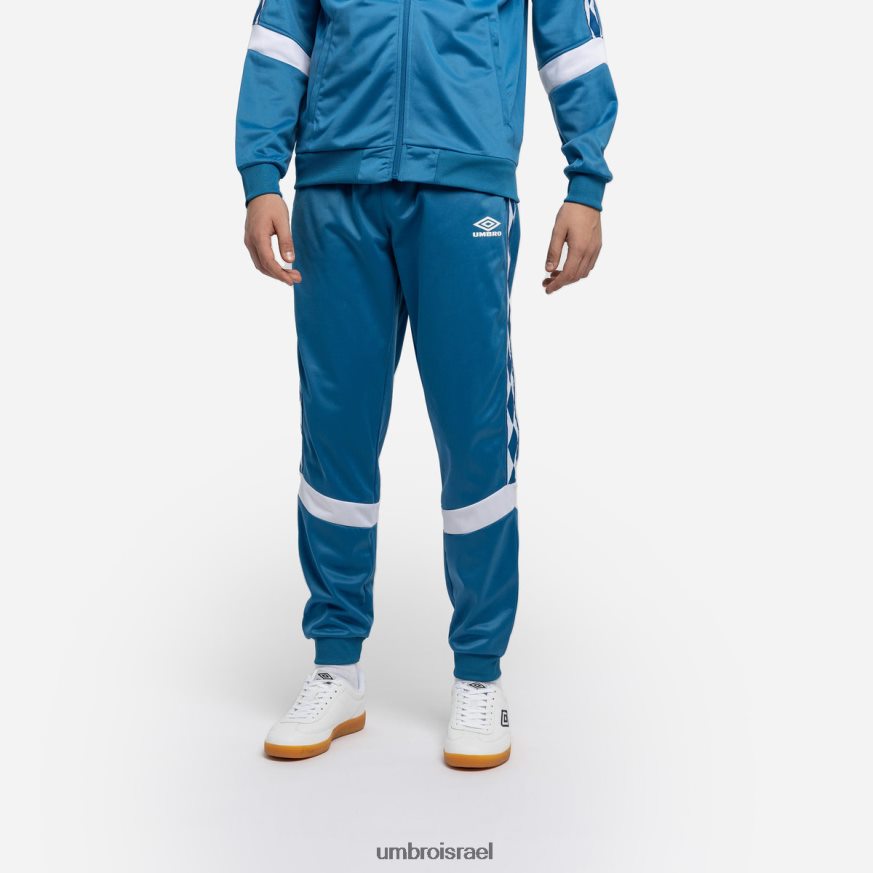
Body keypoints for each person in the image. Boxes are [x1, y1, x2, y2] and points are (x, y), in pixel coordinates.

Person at [236, 0, 617, 768]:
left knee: (474, 435)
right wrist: (260, 174)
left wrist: (585, 181)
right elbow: (282, 31)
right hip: (336, 186)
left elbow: (569, 40)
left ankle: (479, 673)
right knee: (335, 432)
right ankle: (336, 667)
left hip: (464, 188)